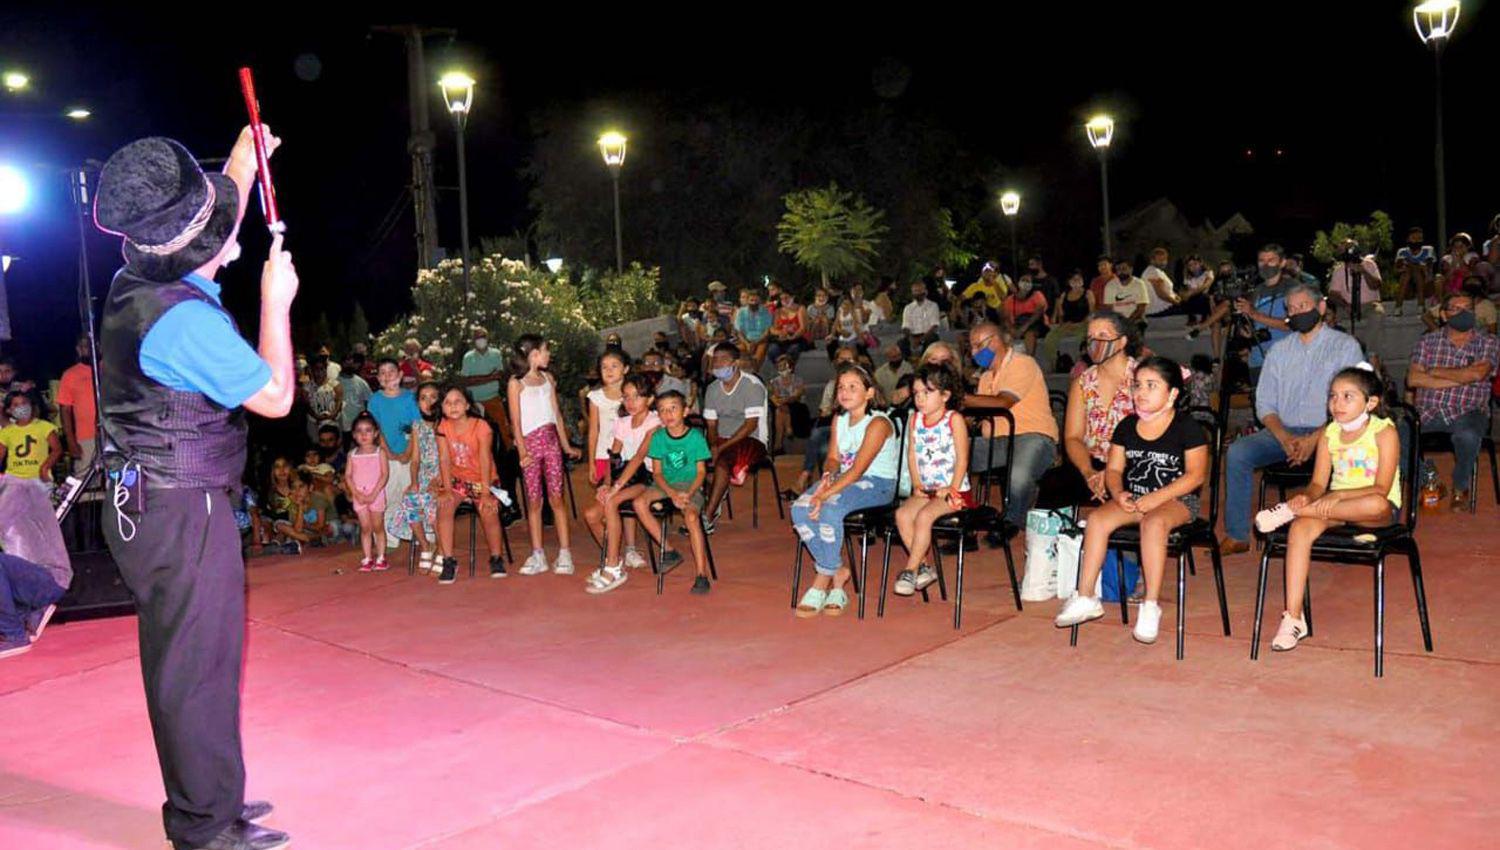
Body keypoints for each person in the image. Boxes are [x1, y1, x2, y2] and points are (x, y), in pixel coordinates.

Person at [92, 130, 293, 849]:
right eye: (218, 232)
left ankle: (212, 799)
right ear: (199, 247)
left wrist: (246, 148)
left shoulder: (139, 278)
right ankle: (204, 828)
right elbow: (274, 397)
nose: (228, 235)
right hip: (181, 507)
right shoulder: (184, 321)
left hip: (156, 501)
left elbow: (224, 208)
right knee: (196, 667)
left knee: (195, 658)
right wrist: (277, 302)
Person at [1054, 356, 1208, 644]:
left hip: (1176, 501)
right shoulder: (1126, 426)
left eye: (1152, 385)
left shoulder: (1187, 427)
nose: (1141, 392)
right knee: (1097, 519)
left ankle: (1150, 604)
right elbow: (1113, 470)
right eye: (1137, 385)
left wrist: (1156, 498)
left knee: (1153, 523)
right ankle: (1086, 596)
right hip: (1135, 497)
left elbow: (1195, 476)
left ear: (1173, 393)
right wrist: (1118, 493)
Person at [1253, 365, 1401, 651]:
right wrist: (1306, 498)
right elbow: (1318, 484)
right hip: (1331, 507)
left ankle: (1288, 511)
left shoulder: (1385, 433)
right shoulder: (1330, 433)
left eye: (1348, 396)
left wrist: (1338, 496)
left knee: (1375, 502)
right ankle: (1294, 617)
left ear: (1370, 402)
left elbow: (1381, 488)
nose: (1337, 403)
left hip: (1376, 511)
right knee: (1301, 528)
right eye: (1333, 396)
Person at [1220, 283, 1364, 554]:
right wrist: (1284, 437)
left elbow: (1354, 402)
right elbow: (1264, 403)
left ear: (1320, 307)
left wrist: (1315, 439)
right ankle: (1237, 534)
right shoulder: (1279, 351)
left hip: (1332, 431)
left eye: (1303, 306)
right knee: (1238, 452)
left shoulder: (1345, 346)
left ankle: (1347, 525)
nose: (1297, 312)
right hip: (1283, 431)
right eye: (1291, 308)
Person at [790, 363, 900, 617]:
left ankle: (824, 580)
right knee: (799, 509)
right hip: (844, 479)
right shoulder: (839, 418)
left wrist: (823, 494)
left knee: (829, 509)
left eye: (853, 387)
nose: (845, 392)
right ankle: (836, 568)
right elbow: (833, 459)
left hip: (876, 484)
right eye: (841, 387)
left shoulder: (879, 424)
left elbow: (858, 470)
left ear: (870, 393)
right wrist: (827, 477)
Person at [1407, 291, 1499, 509]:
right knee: (1394, 435)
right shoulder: (1427, 341)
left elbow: (1478, 374)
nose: (1463, 313)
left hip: (1469, 411)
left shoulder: (1489, 341)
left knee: (1467, 436)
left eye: (1468, 308)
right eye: (1456, 309)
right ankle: (1429, 481)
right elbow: (1413, 378)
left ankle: (1460, 486)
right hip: (1428, 411)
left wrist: (1433, 371)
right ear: (1443, 315)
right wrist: (1463, 375)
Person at [964, 322, 1060, 528]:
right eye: (971, 347)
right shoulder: (986, 377)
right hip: (997, 443)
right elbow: (978, 414)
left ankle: (1010, 524)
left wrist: (960, 399)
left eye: (977, 345)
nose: (973, 353)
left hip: (1034, 437)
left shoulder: (1022, 363)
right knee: (954, 455)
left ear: (995, 341)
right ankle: (963, 519)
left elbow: (1003, 402)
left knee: (1019, 477)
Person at [892, 363, 972, 597]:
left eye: (927, 393)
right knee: (903, 515)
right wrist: (916, 484)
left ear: (945, 395)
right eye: (916, 393)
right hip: (926, 490)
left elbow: (962, 458)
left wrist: (952, 488)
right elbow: (912, 454)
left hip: (955, 491)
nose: (920, 399)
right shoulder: (915, 420)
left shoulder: (953, 419)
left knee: (925, 516)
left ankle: (910, 570)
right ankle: (924, 567)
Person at [508, 334, 582, 576]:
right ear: (533, 354)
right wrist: (522, 451)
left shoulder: (548, 379)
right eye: (545, 350)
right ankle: (538, 553)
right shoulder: (516, 383)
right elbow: (515, 422)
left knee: (557, 498)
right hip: (529, 446)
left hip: (551, 443)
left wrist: (566, 445)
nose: (549, 354)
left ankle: (565, 551)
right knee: (534, 500)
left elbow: (556, 415)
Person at [582, 374, 661, 593]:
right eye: (626, 397)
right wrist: (606, 484)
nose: (631, 402)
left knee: (612, 502)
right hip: (623, 478)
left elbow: (637, 459)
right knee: (591, 515)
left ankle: (612, 566)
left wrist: (615, 488)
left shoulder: (654, 422)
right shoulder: (622, 422)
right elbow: (613, 457)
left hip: (646, 478)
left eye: (637, 397)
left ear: (650, 399)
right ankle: (614, 559)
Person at [631, 390, 713, 594]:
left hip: (690, 484)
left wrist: (687, 493)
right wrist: (672, 494)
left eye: (673, 409)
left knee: (692, 517)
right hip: (665, 484)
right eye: (663, 410)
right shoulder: (658, 437)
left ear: (685, 411)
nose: (668, 414)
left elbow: (701, 472)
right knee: (639, 503)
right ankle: (668, 549)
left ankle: (702, 574)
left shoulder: (695, 437)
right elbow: (657, 473)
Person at [1054, 313, 1139, 507]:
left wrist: (1112, 472)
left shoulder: (1143, 378)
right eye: (1090, 337)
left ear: (1122, 341)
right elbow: (1073, 438)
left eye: (1102, 335)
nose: (1095, 342)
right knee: (1054, 485)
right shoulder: (1083, 382)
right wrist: (1088, 472)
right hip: (1091, 461)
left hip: (1132, 463)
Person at [434, 384, 508, 582]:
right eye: (447, 403)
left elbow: (485, 459)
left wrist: (485, 493)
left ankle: (496, 557)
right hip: (458, 480)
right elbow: (444, 459)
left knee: (487, 510)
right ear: (442, 407)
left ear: (467, 405)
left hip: (483, 479)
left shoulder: (481, 427)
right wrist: (447, 489)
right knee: (444, 506)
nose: (453, 406)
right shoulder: (442, 427)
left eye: (458, 401)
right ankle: (448, 560)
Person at [0, 474, 71, 658]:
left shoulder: (16, 489)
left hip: (49, 578)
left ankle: (13, 634)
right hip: (27, 578)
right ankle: (27, 613)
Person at [702, 342, 770, 531]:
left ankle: (707, 517)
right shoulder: (712, 389)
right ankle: (706, 504)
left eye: (724, 359)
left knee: (723, 461)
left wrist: (720, 449)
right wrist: (713, 445)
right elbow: (711, 424)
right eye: (715, 360)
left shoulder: (752, 385)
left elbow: (750, 426)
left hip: (750, 440)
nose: (718, 364)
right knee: (693, 459)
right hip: (721, 439)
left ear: (736, 362)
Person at [367, 357, 421, 553]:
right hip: (385, 456)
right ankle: (388, 538)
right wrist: (387, 452)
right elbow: (376, 429)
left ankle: (415, 533)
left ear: (400, 375)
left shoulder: (410, 398)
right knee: (387, 496)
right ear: (378, 378)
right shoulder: (375, 400)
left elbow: (416, 427)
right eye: (382, 373)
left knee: (409, 493)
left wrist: (409, 452)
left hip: (409, 456)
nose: (387, 376)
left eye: (391, 371)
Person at [795, 345, 859, 493]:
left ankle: (808, 476)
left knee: (822, 444)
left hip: (854, 427)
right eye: (841, 359)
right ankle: (812, 477)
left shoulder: (862, 382)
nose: (845, 362)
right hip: (833, 425)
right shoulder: (831, 385)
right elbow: (824, 411)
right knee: (819, 437)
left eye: (848, 359)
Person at [400, 381, 444, 573]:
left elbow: (449, 458)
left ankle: (443, 549)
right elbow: (415, 460)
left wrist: (440, 479)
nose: (428, 402)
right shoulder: (417, 426)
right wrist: (414, 482)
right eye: (423, 398)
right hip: (425, 475)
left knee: (431, 500)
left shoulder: (446, 424)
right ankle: (426, 545)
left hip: (445, 474)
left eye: (433, 397)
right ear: (418, 403)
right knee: (410, 498)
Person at [344, 412, 390, 571]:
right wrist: (357, 494)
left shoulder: (380, 452)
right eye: (359, 431)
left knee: (377, 526)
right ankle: (367, 557)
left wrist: (373, 494)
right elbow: (348, 476)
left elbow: (384, 475)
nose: (364, 435)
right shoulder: (352, 454)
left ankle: (381, 557)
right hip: (360, 496)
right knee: (365, 528)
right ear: (354, 435)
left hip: (375, 495)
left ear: (376, 433)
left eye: (368, 430)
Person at [57, 333, 99, 476]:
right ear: (78, 349)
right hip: (85, 437)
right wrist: (70, 439)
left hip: (112, 435)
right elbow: (65, 410)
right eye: (84, 346)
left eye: (92, 345)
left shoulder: (109, 370)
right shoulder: (70, 375)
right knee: (84, 479)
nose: (88, 349)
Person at [586, 349, 630, 486]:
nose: (608, 370)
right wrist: (591, 462)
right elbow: (593, 431)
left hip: (629, 453)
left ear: (626, 369)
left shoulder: (633, 395)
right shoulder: (595, 397)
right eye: (604, 367)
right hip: (603, 453)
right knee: (604, 496)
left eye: (614, 366)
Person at [0, 390, 60, 484]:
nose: (21, 407)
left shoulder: (45, 426)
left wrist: (46, 467)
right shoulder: (6, 432)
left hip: (39, 478)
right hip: (14, 480)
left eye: (24, 403)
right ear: (9, 410)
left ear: (30, 404)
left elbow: (57, 449)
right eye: (16, 405)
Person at [1041, 270, 1095, 371]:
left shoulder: (1088, 293)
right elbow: (1061, 313)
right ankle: (1054, 364)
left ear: (1083, 281)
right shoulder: (1064, 295)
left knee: (1080, 341)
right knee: (1049, 338)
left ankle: (1080, 365)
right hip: (1067, 325)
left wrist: (1081, 324)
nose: (1076, 282)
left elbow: (1092, 313)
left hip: (1083, 325)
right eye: (1073, 280)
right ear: (1069, 282)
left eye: (1078, 279)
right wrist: (1063, 324)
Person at [459, 326, 508, 434]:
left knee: (504, 428)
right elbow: (466, 381)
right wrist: (490, 377)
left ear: (487, 338)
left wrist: (476, 379)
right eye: (477, 337)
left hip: (493, 398)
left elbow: (499, 375)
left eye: (483, 336)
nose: (480, 339)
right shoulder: (468, 357)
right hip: (474, 400)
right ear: (473, 340)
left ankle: (510, 449)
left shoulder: (496, 354)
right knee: (473, 430)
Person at [1152, 255, 1213, 323]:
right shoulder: (1188, 277)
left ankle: (1205, 317)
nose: (1193, 267)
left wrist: (1191, 293)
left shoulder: (1208, 273)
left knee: (1203, 297)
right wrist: (1185, 294)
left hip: (1206, 297)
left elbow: (1205, 286)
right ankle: (1192, 318)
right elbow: (1189, 289)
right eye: (1190, 265)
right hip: (1195, 298)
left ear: (1200, 263)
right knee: (1183, 299)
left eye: (1195, 264)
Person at [769, 354, 809, 455]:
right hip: (781, 406)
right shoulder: (775, 381)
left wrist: (784, 400)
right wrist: (780, 401)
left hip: (797, 406)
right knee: (779, 409)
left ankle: (778, 444)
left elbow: (795, 396)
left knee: (781, 409)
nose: (781, 368)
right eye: (779, 366)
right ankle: (788, 429)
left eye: (784, 365)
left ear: (790, 367)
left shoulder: (798, 380)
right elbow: (775, 397)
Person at [1002, 275, 1049, 355]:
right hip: (1018, 325)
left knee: (1029, 334)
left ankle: (1029, 359)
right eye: (1023, 280)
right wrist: (1011, 329)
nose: (1025, 283)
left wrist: (1023, 328)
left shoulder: (1037, 295)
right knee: (1005, 336)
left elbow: (1038, 313)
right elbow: (1005, 318)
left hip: (1035, 324)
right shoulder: (1010, 299)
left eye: (1028, 281)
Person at [1102, 257, 1151, 330]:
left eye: (1124, 269)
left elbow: (1141, 307)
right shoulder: (1110, 285)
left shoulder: (1139, 284)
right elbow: (1109, 308)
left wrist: (1128, 322)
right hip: (1117, 321)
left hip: (1135, 320)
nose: (1121, 272)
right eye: (1118, 270)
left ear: (1131, 269)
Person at [301, 355, 341, 443]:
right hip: (314, 422)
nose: (319, 373)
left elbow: (339, 401)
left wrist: (333, 414)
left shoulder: (335, 384)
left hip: (332, 421)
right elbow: (306, 405)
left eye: (321, 369)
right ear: (311, 370)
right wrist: (316, 416)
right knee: (316, 444)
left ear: (325, 370)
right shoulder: (306, 387)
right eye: (316, 369)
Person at [767, 289, 811, 364]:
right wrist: (780, 333)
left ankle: (788, 370)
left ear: (792, 297)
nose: (784, 300)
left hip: (799, 338)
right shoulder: (778, 311)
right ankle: (781, 369)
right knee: (772, 350)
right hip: (783, 339)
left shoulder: (800, 309)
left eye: (786, 298)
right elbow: (773, 329)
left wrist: (793, 336)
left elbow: (803, 328)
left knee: (793, 349)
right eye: (782, 299)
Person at [733, 288, 774, 369]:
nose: (754, 302)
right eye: (751, 300)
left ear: (759, 300)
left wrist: (756, 343)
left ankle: (755, 373)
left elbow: (767, 332)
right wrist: (747, 343)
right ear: (747, 300)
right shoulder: (741, 312)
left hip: (761, 340)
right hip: (745, 340)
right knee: (735, 352)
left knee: (758, 357)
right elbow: (739, 332)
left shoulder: (766, 312)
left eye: (756, 300)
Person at [900, 281, 942, 359]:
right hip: (912, 335)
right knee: (901, 343)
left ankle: (924, 363)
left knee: (932, 339)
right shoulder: (908, 308)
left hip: (928, 334)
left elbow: (934, 326)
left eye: (920, 290)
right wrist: (911, 339)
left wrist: (921, 340)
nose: (918, 293)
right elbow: (906, 326)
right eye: (916, 291)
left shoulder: (933, 306)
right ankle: (906, 365)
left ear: (925, 291)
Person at [336, 352, 372, 438]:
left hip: (358, 425)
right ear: (341, 364)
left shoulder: (361, 382)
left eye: (351, 363)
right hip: (340, 425)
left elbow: (369, 401)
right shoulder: (335, 383)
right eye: (346, 363)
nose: (349, 365)